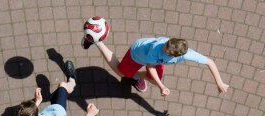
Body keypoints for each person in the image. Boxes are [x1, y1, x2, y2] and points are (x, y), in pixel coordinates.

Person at [82, 36, 229, 95]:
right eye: (165, 46)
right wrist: (162, 86)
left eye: (165, 50)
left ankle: (134, 76)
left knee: (151, 79)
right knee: (121, 73)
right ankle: (96, 40)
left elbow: (210, 62)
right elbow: (150, 67)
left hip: (155, 62)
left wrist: (219, 82)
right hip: (136, 54)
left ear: (175, 55)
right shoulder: (155, 49)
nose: (163, 48)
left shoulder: (186, 53)